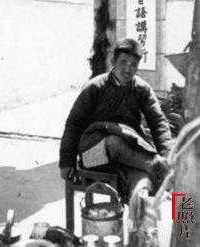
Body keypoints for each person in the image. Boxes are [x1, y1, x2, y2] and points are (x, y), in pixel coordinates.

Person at [59, 38, 172, 198]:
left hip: (128, 158)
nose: (128, 69)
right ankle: (158, 168)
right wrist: (66, 161)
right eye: (123, 62)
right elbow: (74, 124)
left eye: (133, 64)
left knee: (142, 188)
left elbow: (158, 122)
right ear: (113, 61)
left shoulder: (142, 89)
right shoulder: (94, 87)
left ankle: (182, 213)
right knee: (114, 142)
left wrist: (167, 153)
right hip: (94, 156)